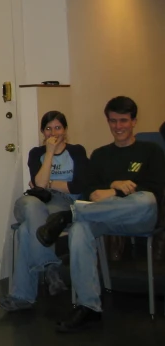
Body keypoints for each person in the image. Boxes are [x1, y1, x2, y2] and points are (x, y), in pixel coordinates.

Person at [35, 96, 165, 332]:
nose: (118, 127)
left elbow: (154, 192)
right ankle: (89, 307)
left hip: (140, 218)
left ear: (134, 121)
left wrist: (112, 191)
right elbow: (92, 193)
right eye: (113, 121)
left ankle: (70, 214)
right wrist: (117, 186)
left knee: (145, 199)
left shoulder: (151, 151)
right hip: (101, 218)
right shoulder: (100, 155)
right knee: (80, 230)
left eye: (123, 121)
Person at [0, 111, 88, 311]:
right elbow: (39, 185)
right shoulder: (37, 154)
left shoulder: (77, 151)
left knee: (24, 231)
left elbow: (78, 187)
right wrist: (49, 152)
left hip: (64, 204)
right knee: (30, 206)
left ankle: (22, 296)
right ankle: (49, 265)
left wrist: (49, 183)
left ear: (65, 130)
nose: (53, 132)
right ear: (42, 131)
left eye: (58, 128)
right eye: (48, 128)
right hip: (35, 201)